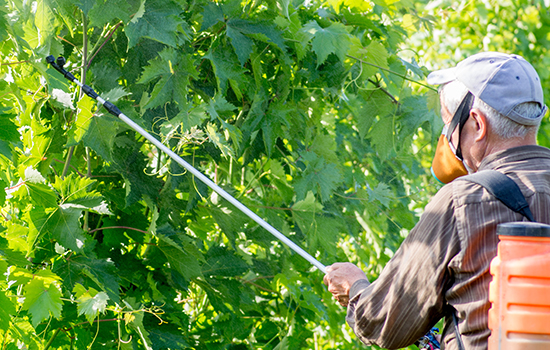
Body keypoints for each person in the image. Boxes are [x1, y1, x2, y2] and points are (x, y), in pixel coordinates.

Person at [323, 52, 550, 349]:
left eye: (448, 124)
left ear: (478, 125)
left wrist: (355, 288)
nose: (446, 136)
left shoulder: (464, 200)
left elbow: (384, 324)